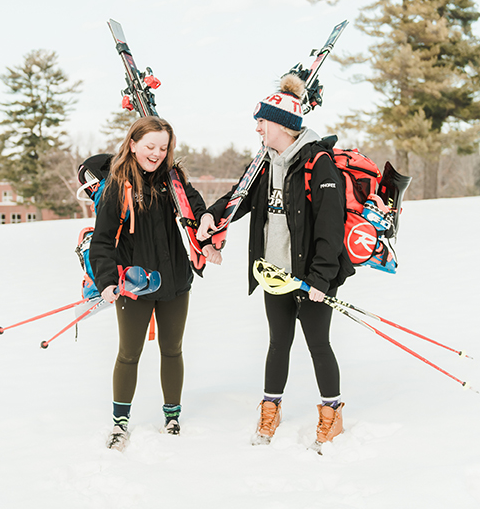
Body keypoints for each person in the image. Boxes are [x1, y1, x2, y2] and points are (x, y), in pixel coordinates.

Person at [197, 74, 355, 448]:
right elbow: (240, 198)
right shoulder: (264, 164)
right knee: (277, 343)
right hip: (275, 272)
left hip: (312, 276)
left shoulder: (319, 163)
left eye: (262, 122)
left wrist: (321, 278)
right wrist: (212, 216)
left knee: (318, 344)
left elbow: (330, 228)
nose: (257, 128)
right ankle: (271, 410)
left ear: (282, 125)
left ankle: (331, 414)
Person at [89, 115, 221, 451]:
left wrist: (206, 228)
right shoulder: (117, 187)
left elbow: (193, 206)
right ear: (132, 145)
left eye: (163, 147)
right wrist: (106, 281)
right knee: (129, 354)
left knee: (172, 349)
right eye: (150, 146)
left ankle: (172, 415)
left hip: (175, 280)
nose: (157, 153)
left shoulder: (171, 180)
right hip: (133, 284)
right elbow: (102, 242)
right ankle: (120, 423)